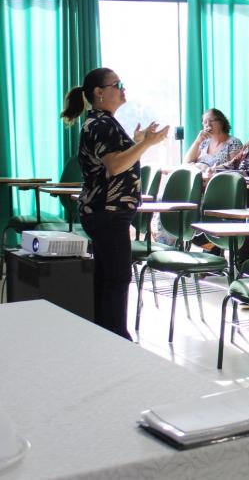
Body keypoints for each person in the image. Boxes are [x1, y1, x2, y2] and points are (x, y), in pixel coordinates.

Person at [61, 68, 169, 339]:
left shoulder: (102, 121)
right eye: (117, 84)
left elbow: (114, 160)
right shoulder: (100, 123)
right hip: (107, 212)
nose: (123, 89)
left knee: (108, 277)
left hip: (104, 212)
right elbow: (115, 164)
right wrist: (147, 145)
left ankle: (104, 337)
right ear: (99, 93)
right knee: (118, 278)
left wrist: (138, 142)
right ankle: (116, 338)